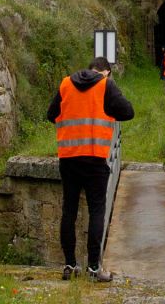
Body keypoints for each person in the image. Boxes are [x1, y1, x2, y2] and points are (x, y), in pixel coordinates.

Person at [47, 56, 134, 283]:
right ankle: (94, 268)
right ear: (106, 72)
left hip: (69, 158)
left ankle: (69, 265)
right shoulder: (106, 85)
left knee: (69, 210)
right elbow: (128, 112)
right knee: (96, 211)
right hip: (95, 158)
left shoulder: (66, 83)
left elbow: (51, 114)